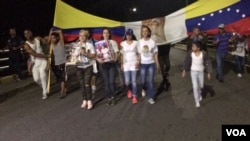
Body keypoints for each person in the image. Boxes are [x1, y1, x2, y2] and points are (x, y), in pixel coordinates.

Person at [182, 41, 212, 108]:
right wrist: (184, 70)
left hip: (201, 72)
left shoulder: (203, 53)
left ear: (198, 48)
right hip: (193, 72)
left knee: (201, 86)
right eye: (192, 46)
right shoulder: (190, 53)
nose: (192, 47)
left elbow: (208, 62)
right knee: (195, 86)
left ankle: (199, 94)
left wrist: (209, 72)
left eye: (194, 46)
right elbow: (186, 61)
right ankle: (197, 101)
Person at [72, 29, 96, 110]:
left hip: (88, 66)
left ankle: (89, 100)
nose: (81, 37)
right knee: (82, 84)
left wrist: (86, 53)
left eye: (83, 36)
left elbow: (93, 55)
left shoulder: (90, 45)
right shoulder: (76, 45)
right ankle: (84, 100)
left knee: (87, 84)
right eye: (80, 36)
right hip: (79, 67)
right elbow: (73, 56)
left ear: (86, 37)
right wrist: (74, 58)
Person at [95, 28, 119, 105]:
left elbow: (117, 52)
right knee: (106, 82)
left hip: (111, 64)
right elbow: (96, 54)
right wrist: (98, 60)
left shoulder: (113, 42)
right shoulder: (99, 43)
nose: (106, 34)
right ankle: (109, 98)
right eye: (104, 33)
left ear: (109, 34)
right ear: (102, 34)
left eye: (107, 33)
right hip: (103, 65)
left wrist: (115, 59)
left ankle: (113, 97)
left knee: (111, 82)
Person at [23, 29, 49, 100]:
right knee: (36, 79)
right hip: (36, 61)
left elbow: (47, 42)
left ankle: (44, 93)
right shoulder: (26, 45)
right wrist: (46, 56)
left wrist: (48, 36)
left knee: (42, 74)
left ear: (31, 33)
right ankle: (45, 87)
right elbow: (34, 54)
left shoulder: (38, 38)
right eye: (25, 34)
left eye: (28, 33)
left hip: (43, 60)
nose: (27, 35)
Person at [138, 25, 160, 104]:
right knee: (143, 81)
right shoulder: (140, 42)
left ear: (149, 32)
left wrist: (157, 64)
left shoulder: (152, 42)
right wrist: (138, 62)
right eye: (143, 31)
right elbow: (140, 54)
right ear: (141, 32)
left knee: (150, 81)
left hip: (151, 63)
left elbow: (155, 54)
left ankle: (151, 97)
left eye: (146, 31)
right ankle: (144, 88)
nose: (144, 32)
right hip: (143, 64)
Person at [120, 28, 140, 104]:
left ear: (132, 35)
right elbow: (121, 54)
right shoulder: (122, 43)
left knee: (134, 81)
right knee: (127, 81)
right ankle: (129, 90)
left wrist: (138, 61)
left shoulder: (136, 43)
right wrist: (121, 64)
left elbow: (139, 53)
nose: (129, 36)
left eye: (130, 35)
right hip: (126, 64)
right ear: (126, 35)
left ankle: (134, 96)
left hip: (134, 63)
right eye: (127, 35)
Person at [49, 29, 67, 98]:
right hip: (57, 64)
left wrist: (53, 31)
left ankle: (62, 91)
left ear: (57, 38)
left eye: (54, 38)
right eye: (51, 38)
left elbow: (60, 32)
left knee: (62, 78)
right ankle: (64, 88)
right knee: (60, 79)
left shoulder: (61, 43)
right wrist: (50, 32)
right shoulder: (53, 45)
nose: (52, 39)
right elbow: (50, 39)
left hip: (63, 63)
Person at [86, 29, 99, 94]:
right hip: (85, 62)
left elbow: (99, 48)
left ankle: (93, 86)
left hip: (94, 60)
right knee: (88, 75)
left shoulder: (94, 41)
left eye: (88, 33)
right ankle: (88, 87)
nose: (87, 34)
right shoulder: (82, 41)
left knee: (94, 74)